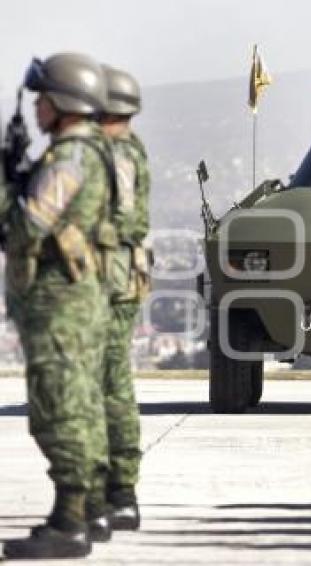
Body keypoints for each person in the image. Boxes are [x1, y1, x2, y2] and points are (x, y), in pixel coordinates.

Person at [1, 52, 113, 560]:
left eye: (43, 98)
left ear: (63, 103)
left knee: (58, 409)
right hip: (76, 297)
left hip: (60, 300)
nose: (37, 107)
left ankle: (68, 522)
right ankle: (85, 510)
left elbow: (27, 227)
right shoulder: (88, 150)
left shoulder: (70, 156)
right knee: (79, 404)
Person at [95, 64, 151, 533]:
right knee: (111, 386)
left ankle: (96, 498)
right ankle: (115, 494)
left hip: (101, 284)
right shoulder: (124, 150)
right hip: (116, 280)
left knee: (91, 390)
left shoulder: (107, 154)